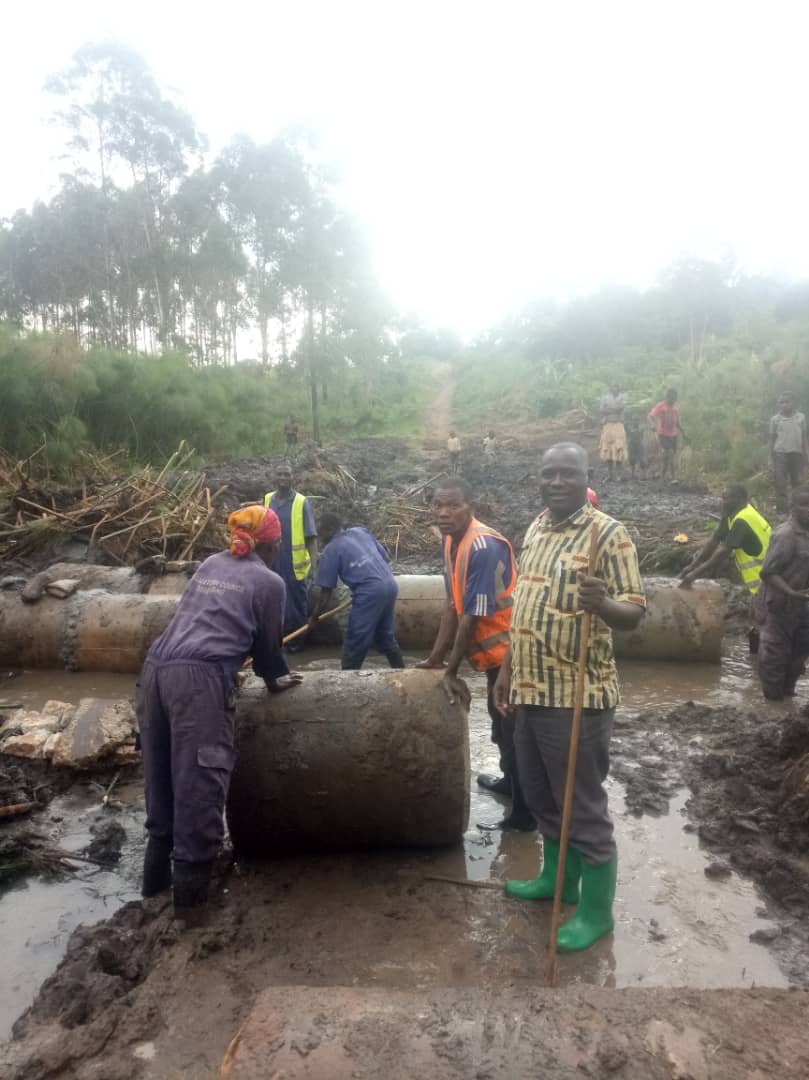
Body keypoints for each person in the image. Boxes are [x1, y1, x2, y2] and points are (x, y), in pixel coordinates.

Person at [495, 443, 645, 951]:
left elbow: (634, 612)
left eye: (568, 473)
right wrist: (505, 674)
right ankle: (556, 881)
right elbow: (524, 610)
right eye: (548, 473)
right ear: (538, 479)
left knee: (582, 806)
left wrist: (603, 603)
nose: (557, 481)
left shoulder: (608, 534)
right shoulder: (535, 528)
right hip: (529, 688)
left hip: (578, 695)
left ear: (587, 477)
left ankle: (596, 913)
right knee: (538, 794)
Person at [136, 507, 302, 917]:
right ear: (272, 543)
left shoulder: (212, 562)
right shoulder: (270, 582)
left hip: (155, 670)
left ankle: (151, 891)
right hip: (200, 680)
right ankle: (191, 913)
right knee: (200, 782)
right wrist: (274, 677)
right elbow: (267, 645)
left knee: (160, 777)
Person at [417, 479, 533, 831]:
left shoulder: (482, 547)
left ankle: (525, 816)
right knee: (499, 727)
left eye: (452, 506)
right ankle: (508, 783)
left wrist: (452, 671)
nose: (443, 513)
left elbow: (473, 614)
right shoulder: (451, 542)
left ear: (471, 506)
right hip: (492, 658)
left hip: (513, 655)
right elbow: (452, 605)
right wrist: (436, 659)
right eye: (437, 506)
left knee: (514, 732)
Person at [308, 513, 405, 670]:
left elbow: (325, 593)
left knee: (356, 639)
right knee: (385, 636)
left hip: (370, 593)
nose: (320, 539)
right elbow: (386, 558)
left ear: (330, 529)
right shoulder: (361, 532)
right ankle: (401, 671)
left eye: (322, 533)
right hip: (390, 584)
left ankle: (348, 679)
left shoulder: (331, 550)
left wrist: (314, 618)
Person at [754, 487, 809, 701]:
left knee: (797, 658)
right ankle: (772, 707)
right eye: (804, 505)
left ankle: (787, 701)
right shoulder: (785, 535)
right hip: (779, 606)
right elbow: (768, 572)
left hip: (802, 608)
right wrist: (792, 593)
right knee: (774, 658)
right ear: (793, 508)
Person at [264, 462, 318, 644]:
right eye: (280, 474)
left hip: (294, 565)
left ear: (292, 477)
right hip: (272, 561)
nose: (283, 478)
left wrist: (314, 566)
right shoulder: (267, 499)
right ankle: (276, 640)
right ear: (274, 477)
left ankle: (297, 642)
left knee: (296, 604)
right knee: (274, 601)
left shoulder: (301, 502)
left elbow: (311, 537)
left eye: (287, 475)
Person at [769, 392, 808, 515]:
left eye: (787, 402)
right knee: (780, 484)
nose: (784, 405)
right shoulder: (775, 420)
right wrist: (770, 458)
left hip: (796, 454)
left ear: (793, 403)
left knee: (797, 483)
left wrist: (806, 454)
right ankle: (782, 512)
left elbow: (804, 437)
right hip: (780, 454)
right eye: (781, 402)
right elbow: (771, 439)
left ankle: (797, 510)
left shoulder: (801, 417)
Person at [649, 388, 685, 483]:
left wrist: (683, 432)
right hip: (663, 434)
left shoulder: (676, 407)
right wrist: (653, 425)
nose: (673, 400)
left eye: (675, 398)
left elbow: (677, 421)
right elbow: (651, 416)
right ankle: (673, 477)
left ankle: (662, 476)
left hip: (673, 434)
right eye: (672, 398)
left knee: (667, 456)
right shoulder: (661, 405)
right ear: (667, 397)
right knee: (670, 454)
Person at [599, 384, 628, 481]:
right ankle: (610, 475)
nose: (615, 388)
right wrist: (614, 410)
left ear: (619, 388)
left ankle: (619, 475)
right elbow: (602, 410)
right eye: (613, 387)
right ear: (610, 388)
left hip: (618, 424)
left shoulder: (623, 396)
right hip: (607, 425)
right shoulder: (605, 398)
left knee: (619, 448)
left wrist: (609, 410)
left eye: (616, 387)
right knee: (608, 449)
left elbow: (621, 409)